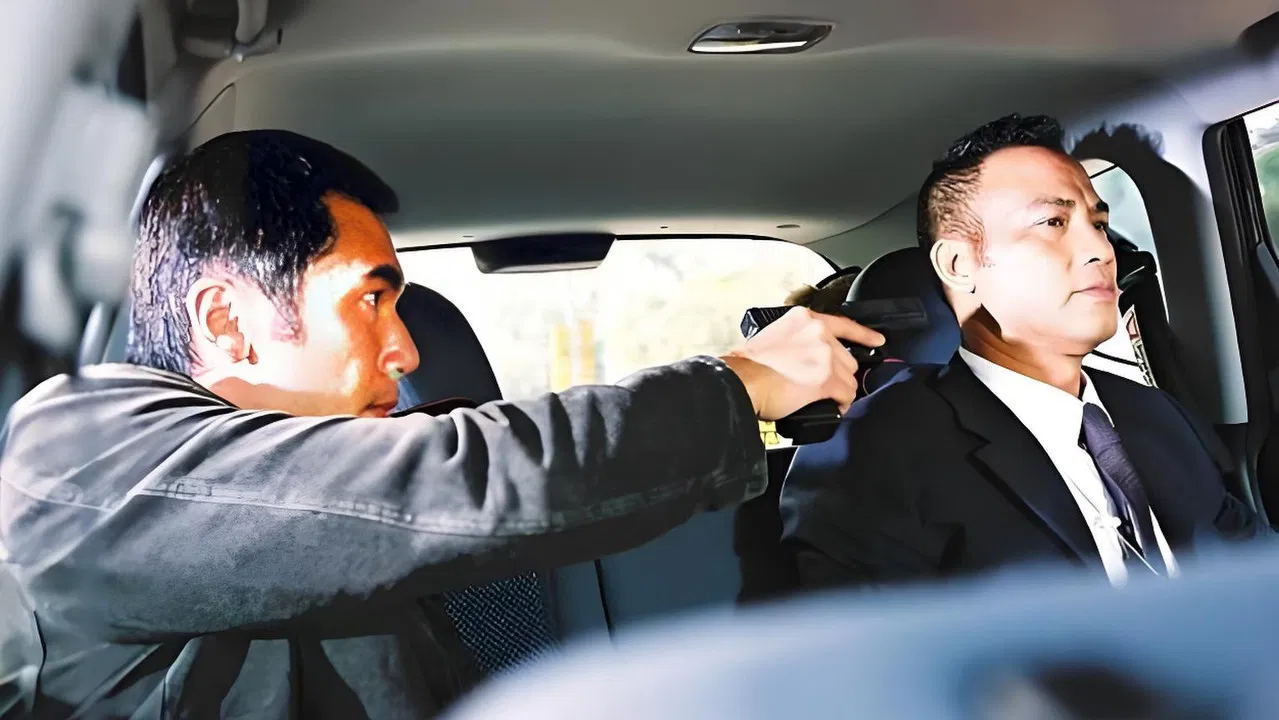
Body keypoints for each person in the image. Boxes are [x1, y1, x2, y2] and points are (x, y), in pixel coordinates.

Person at [0, 129, 883, 718]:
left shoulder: (323, 529)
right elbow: (458, 477)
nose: (406, 351)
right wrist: (734, 386)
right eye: (370, 301)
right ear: (227, 321)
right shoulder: (77, 456)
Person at [780, 114, 1261, 591]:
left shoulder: (1155, 413)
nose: (1101, 249)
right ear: (959, 264)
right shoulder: (873, 450)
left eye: (1099, 223)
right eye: (1053, 222)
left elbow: (1254, 568)